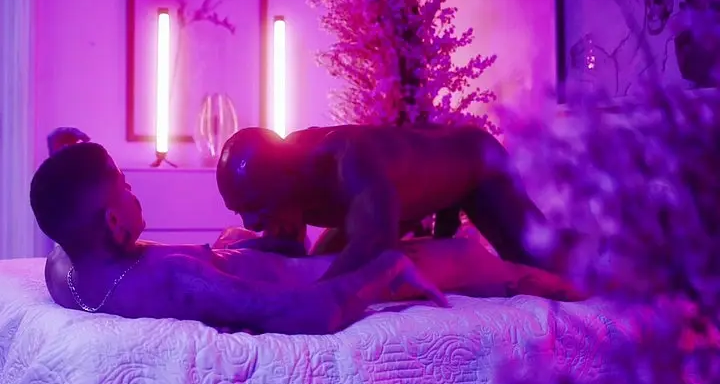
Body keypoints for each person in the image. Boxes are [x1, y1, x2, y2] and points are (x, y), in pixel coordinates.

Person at [30, 143, 581, 335]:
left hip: (262, 258)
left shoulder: (65, 270)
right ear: (113, 224)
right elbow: (307, 313)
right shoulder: (175, 279)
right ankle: (592, 294)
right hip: (311, 276)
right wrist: (382, 272)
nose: (134, 191)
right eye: (125, 186)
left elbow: (64, 222)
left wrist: (237, 248)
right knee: (464, 258)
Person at [216, 125, 558, 280]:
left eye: (255, 206)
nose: (250, 224)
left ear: (284, 179)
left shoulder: (344, 158)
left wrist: (290, 302)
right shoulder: (292, 177)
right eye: (239, 211)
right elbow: (293, 254)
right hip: (401, 194)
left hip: (476, 163)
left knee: (549, 264)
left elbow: (374, 247)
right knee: (324, 257)